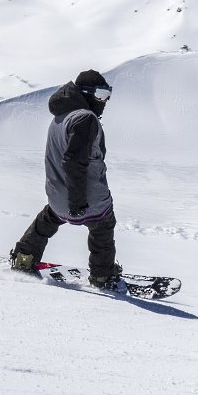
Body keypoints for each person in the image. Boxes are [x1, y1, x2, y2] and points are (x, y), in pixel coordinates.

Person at [10, 69, 123, 289]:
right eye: (100, 95)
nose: (104, 102)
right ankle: (103, 276)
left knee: (47, 220)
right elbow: (74, 161)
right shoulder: (85, 119)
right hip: (85, 199)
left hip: (57, 198)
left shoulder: (59, 119)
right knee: (103, 226)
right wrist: (78, 202)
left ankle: (24, 259)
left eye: (107, 95)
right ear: (87, 94)